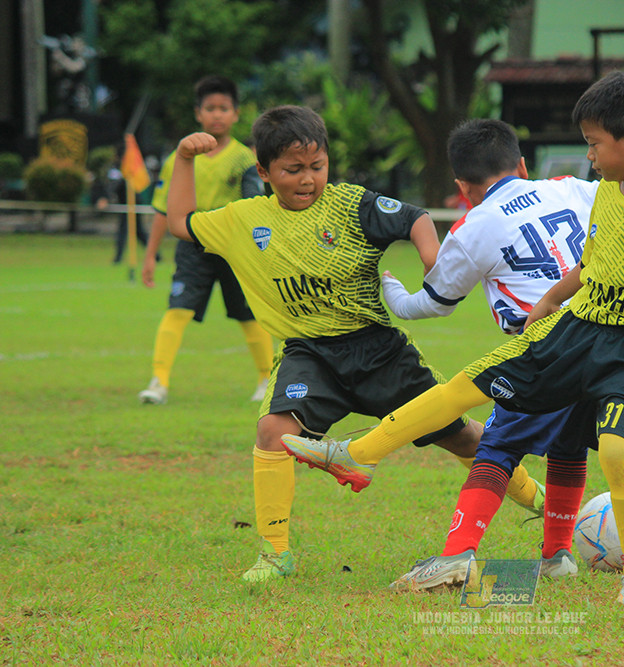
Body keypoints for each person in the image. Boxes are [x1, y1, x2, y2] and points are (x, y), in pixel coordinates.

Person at [280, 71, 624, 604]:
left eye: (594, 144)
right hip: (571, 330)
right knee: (465, 386)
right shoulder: (606, 195)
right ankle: (355, 454)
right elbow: (591, 263)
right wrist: (547, 302)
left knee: (614, 449)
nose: (588, 156)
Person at [163, 105, 545, 582]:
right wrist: (182, 159)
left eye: (317, 167)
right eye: (293, 169)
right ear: (264, 171)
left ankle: (540, 501)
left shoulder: (348, 204)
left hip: (378, 350)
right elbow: (179, 220)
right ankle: (275, 553)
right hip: (309, 354)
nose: (308, 179)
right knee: (272, 432)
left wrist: (432, 259)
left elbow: (416, 218)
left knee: (464, 435)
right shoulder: (243, 220)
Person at [373, 118, 599, 589]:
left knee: (497, 447)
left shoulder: (474, 225)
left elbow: (431, 303)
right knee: (568, 443)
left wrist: (393, 294)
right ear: (521, 163)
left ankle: (457, 556)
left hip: (544, 346)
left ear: (462, 187)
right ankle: (558, 554)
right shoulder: (573, 188)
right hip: (603, 337)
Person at [138, 75, 273, 406]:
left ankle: (266, 379)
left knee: (248, 314)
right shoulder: (178, 159)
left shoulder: (245, 160)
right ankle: (159, 382)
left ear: (236, 114)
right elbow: (162, 210)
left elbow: (255, 209)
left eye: (224, 108)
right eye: (210, 108)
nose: (217, 115)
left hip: (233, 247)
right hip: (192, 245)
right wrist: (150, 255)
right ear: (197, 113)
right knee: (178, 309)